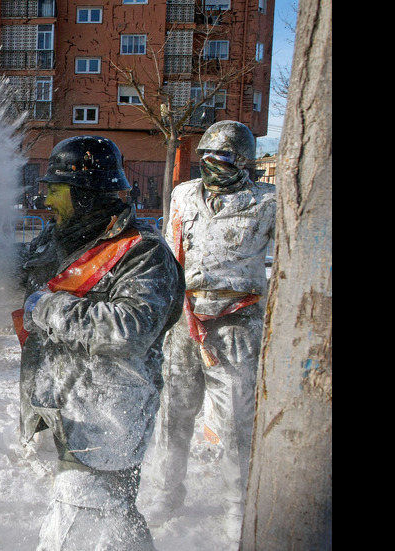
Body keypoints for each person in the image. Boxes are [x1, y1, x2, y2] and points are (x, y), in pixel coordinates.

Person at [15, 136, 185, 550]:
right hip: (62, 410)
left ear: (86, 195)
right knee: (114, 525)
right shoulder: (62, 239)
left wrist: (45, 308)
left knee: (73, 535)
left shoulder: (142, 252)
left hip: (106, 420)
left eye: (55, 191)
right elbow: (11, 273)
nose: (46, 200)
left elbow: (128, 329)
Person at [145, 120, 276, 540]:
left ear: (242, 161)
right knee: (175, 414)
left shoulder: (268, 201)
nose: (210, 165)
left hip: (238, 321)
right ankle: (167, 492)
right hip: (187, 318)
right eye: (205, 156)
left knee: (237, 420)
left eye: (220, 158)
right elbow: (171, 252)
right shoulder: (185, 195)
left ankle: (238, 506)